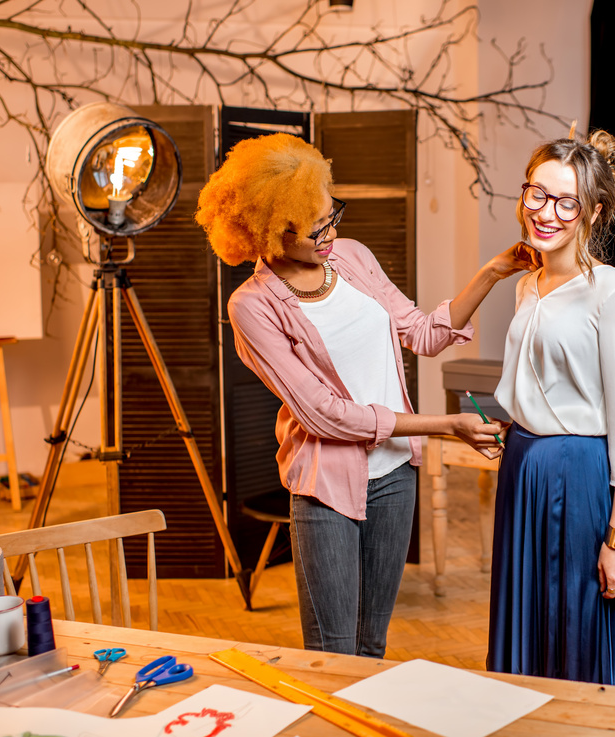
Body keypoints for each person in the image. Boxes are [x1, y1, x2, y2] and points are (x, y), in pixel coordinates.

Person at [195, 133, 532, 658]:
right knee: (333, 653)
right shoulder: (253, 306)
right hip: (327, 489)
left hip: (396, 477)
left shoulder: (351, 258)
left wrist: (493, 271)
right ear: (267, 232)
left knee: (371, 647)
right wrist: (447, 427)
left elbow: (423, 333)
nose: (331, 232)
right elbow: (327, 417)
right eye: (315, 228)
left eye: (333, 214)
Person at [487, 130, 615, 687]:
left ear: (593, 211)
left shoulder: (614, 292)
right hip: (523, 474)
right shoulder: (526, 285)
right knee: (530, 624)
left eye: (566, 201)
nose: (546, 212)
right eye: (537, 193)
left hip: (578, 479)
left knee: (578, 624)